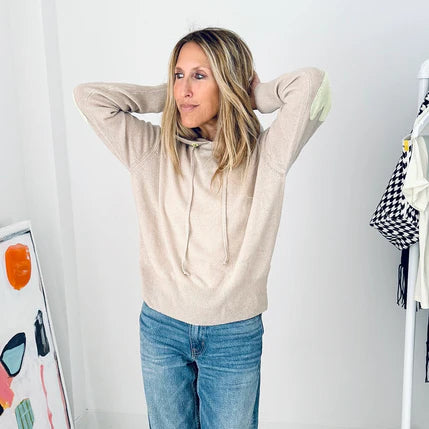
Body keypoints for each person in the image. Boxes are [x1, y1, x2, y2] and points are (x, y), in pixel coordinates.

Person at [73, 26, 331, 429]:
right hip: (162, 327)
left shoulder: (267, 156)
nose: (184, 88)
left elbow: (314, 86)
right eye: (179, 74)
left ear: (228, 82)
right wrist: (170, 97)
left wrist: (255, 96)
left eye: (199, 75)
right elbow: (88, 97)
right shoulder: (153, 150)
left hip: (233, 335)